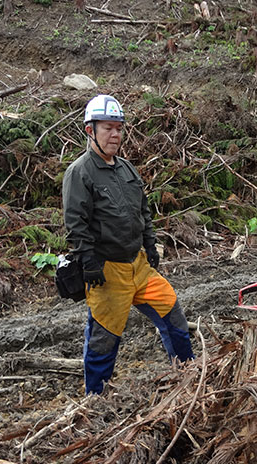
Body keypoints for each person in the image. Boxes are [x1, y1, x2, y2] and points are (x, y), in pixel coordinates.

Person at [62, 94, 194, 395]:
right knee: (104, 339)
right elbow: (75, 222)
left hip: (139, 266)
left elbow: (143, 210)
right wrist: (88, 261)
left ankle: (189, 377)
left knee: (173, 314)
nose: (115, 134)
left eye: (119, 128)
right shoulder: (80, 172)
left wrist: (150, 244)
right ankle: (96, 400)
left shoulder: (126, 169)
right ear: (90, 130)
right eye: (108, 128)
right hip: (107, 272)